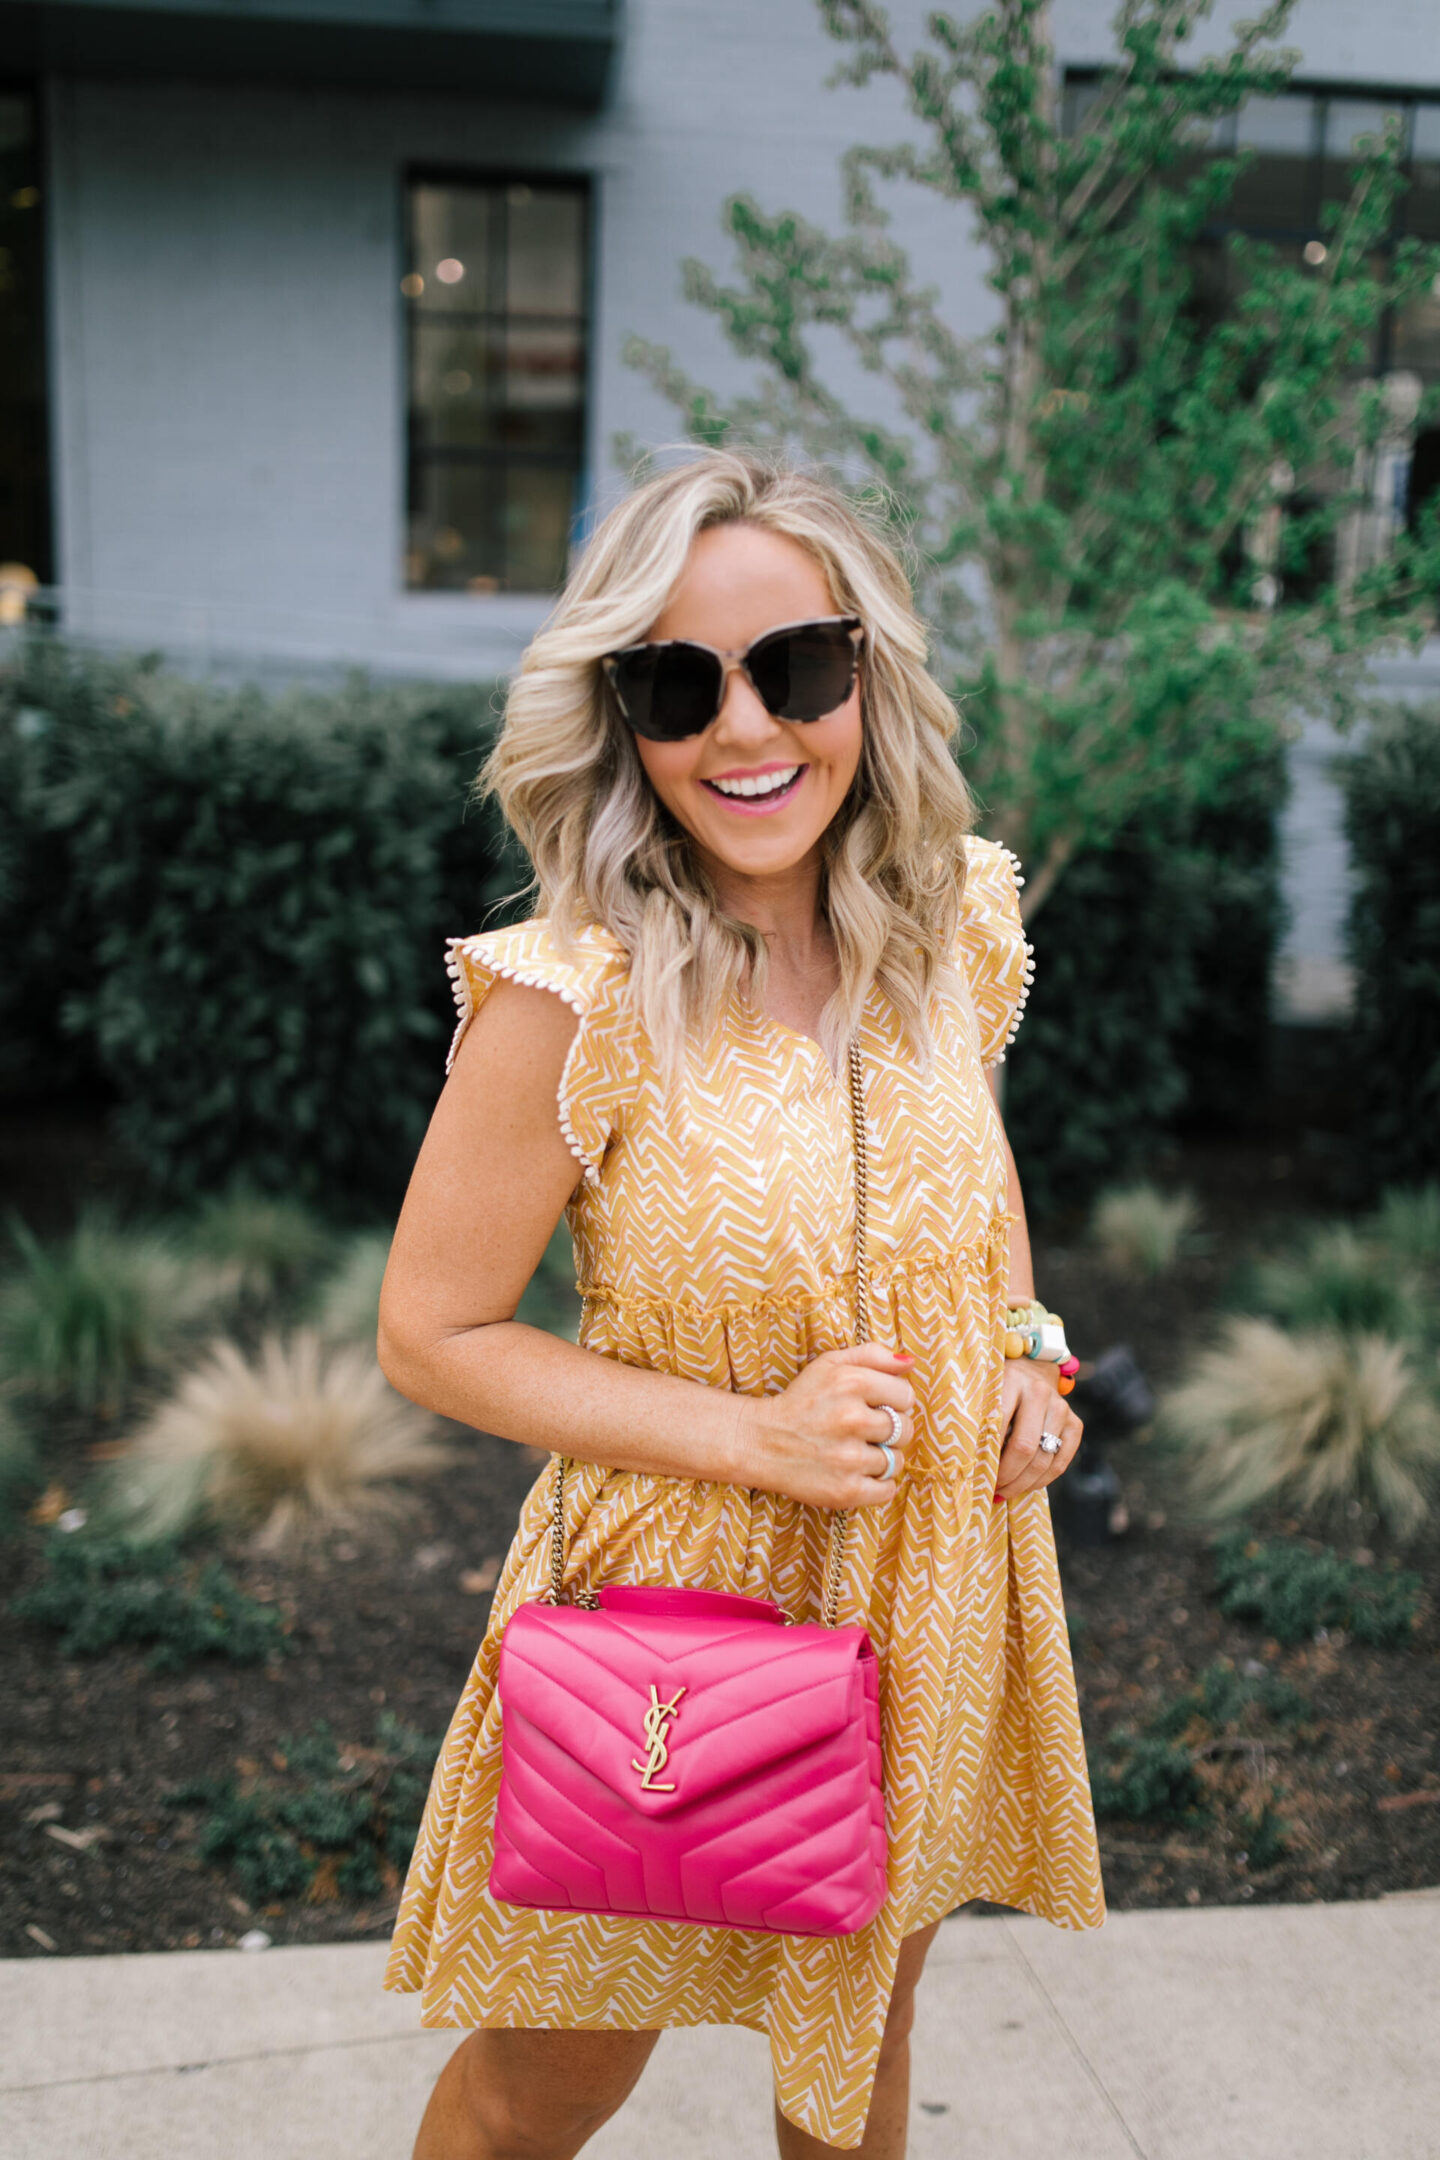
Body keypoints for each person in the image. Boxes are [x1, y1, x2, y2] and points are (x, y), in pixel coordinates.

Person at [378, 450, 1105, 2160]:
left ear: (867, 675)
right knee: (553, 2073)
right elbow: (431, 1330)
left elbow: (974, 1182)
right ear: (619, 713)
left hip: (929, 1578)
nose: (745, 728)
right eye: (675, 683)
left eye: (795, 667)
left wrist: (1025, 1352)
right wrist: (753, 1437)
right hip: (670, 1626)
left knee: (857, 2050)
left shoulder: (951, 933)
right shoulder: (575, 993)